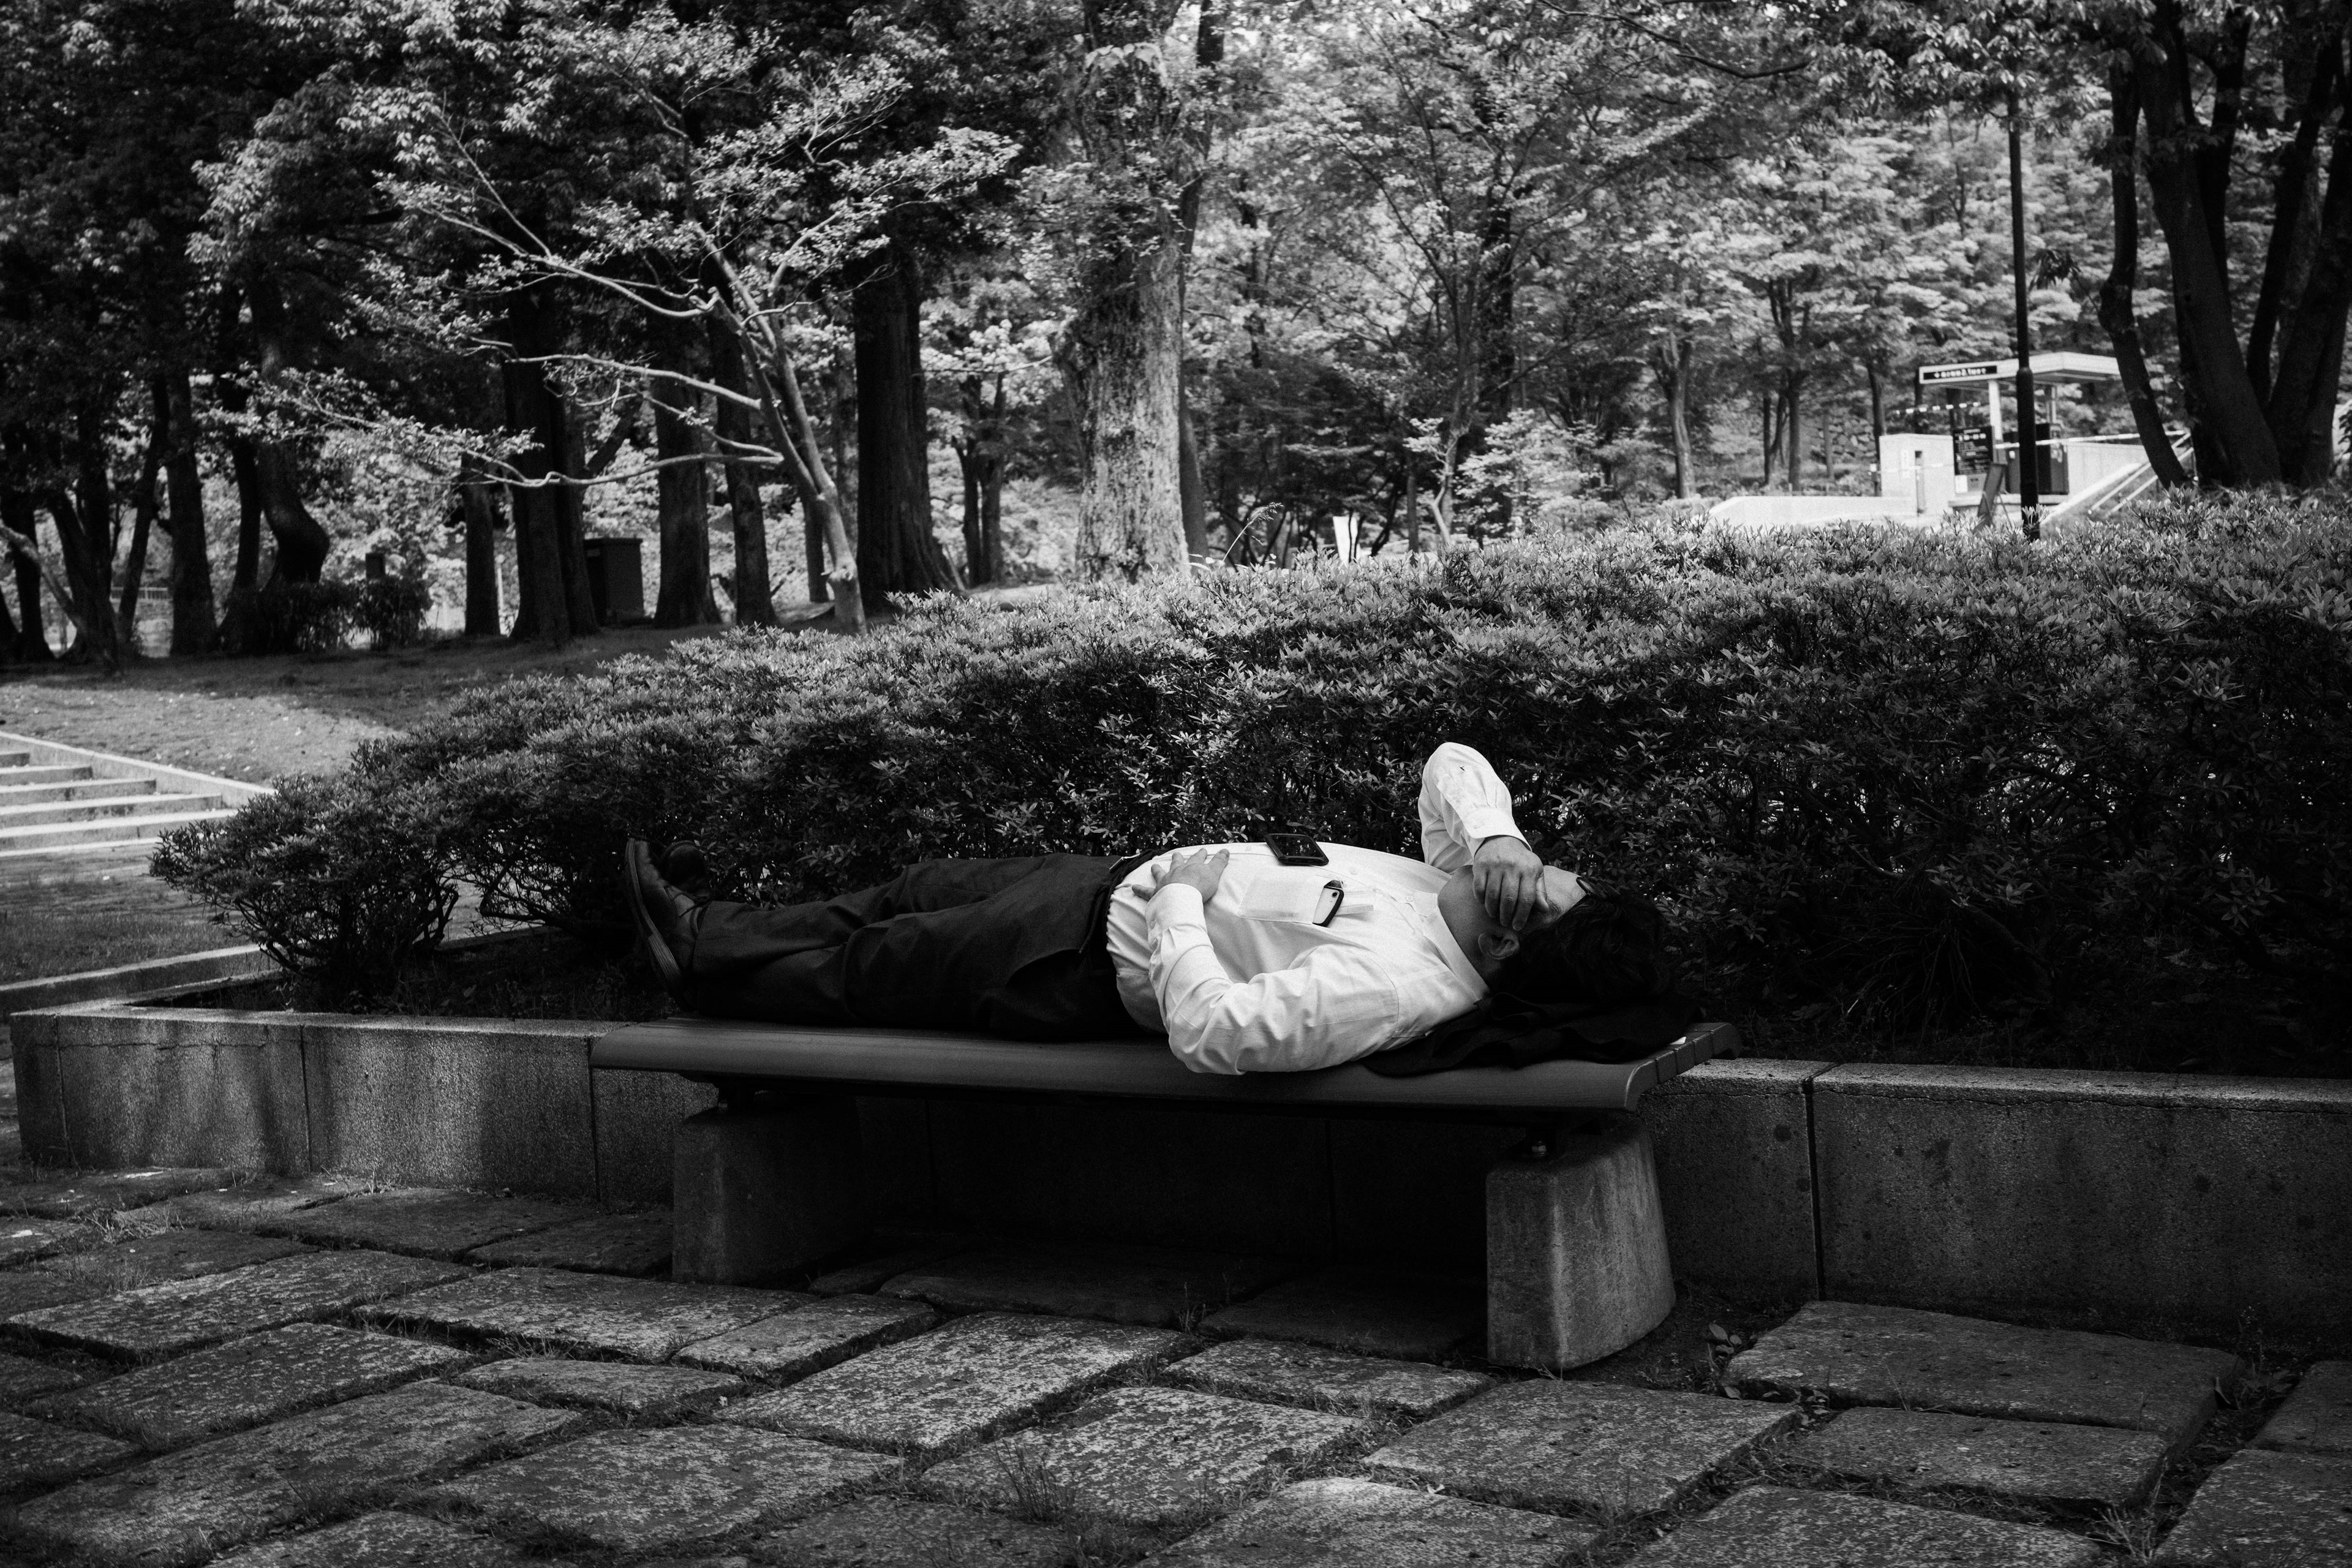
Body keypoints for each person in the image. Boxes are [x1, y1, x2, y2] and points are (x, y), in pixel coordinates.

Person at [623, 742, 1674, 1075]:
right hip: (1093, 882)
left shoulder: (1403, 977)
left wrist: (1176, 908)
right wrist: (1500, 840)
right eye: (1542, 864)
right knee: (902, 895)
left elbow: (1225, 1036)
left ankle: (706, 971)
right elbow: (1452, 765)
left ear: (1515, 927)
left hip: (1076, 960)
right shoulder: (1456, 877)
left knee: (878, 965)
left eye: (1540, 884)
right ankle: (707, 936)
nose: (1534, 867)